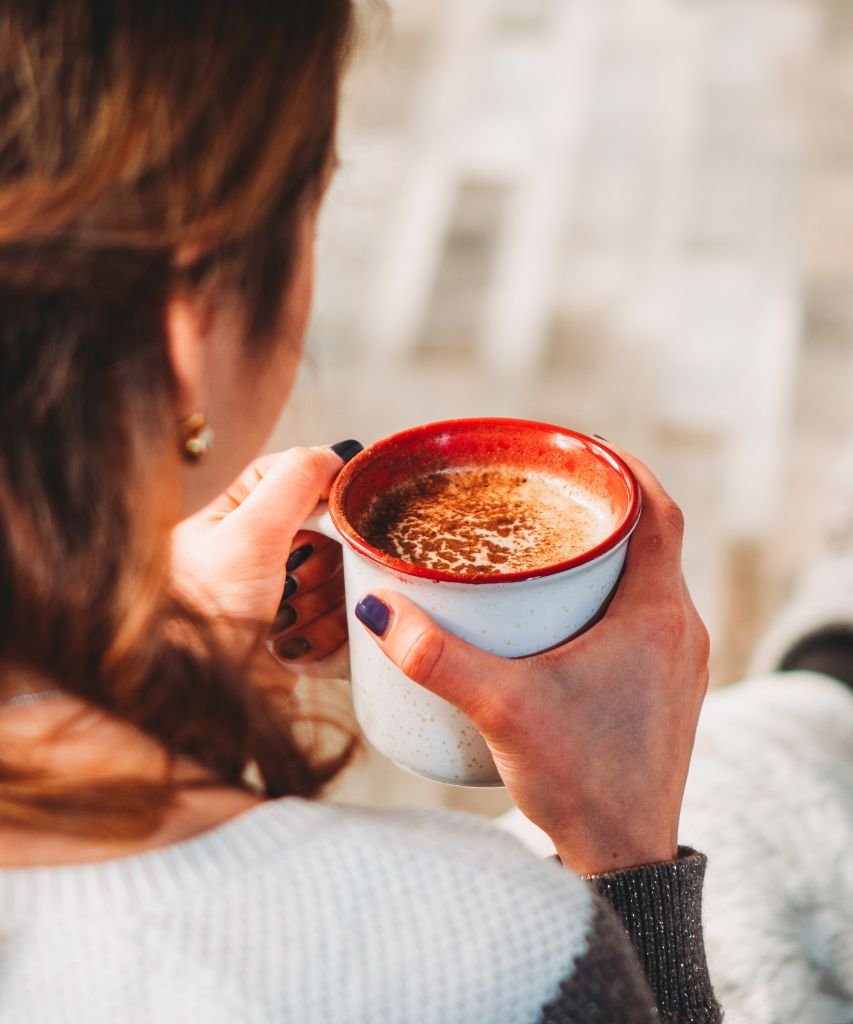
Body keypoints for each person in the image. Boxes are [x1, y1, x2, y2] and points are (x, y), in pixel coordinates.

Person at [0, 4, 720, 1022]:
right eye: (309, 209)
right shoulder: (482, 941)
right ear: (189, 330)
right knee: (773, 754)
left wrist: (159, 650)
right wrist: (629, 852)